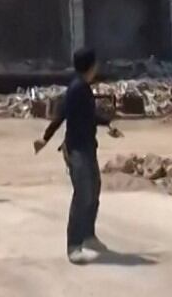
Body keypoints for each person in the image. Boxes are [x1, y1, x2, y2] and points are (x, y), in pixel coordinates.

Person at [34, 47, 111, 265]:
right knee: (82, 195)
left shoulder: (84, 88)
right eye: (96, 64)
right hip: (76, 149)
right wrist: (45, 138)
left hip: (88, 147)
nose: (98, 68)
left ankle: (88, 235)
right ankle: (73, 245)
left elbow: (89, 115)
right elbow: (61, 114)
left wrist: (108, 123)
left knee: (94, 190)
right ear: (90, 66)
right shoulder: (77, 89)